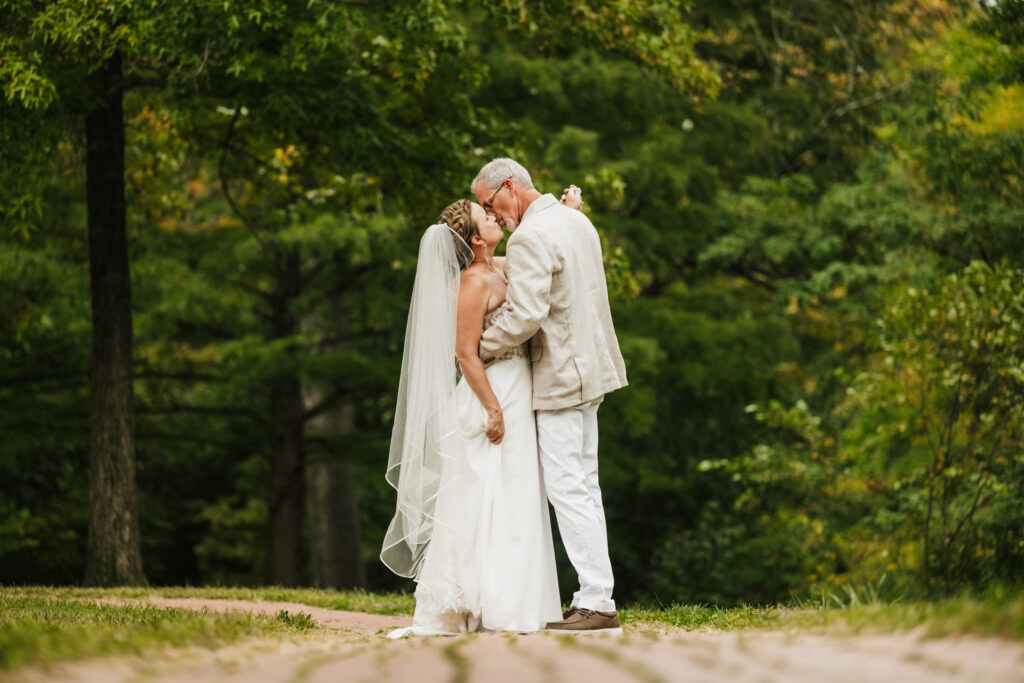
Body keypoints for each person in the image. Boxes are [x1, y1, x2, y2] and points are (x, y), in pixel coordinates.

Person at [381, 189, 586, 635]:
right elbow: (465, 353)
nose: (495, 217)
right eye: (486, 216)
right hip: (491, 395)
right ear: (475, 239)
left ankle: (512, 600)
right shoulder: (474, 282)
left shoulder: (502, 267)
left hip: (517, 386)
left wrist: (566, 215)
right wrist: (492, 409)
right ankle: (484, 602)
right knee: (486, 494)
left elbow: (538, 259)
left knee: (515, 493)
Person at [471, 158, 628, 633]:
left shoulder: (531, 237)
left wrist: (477, 347)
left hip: (561, 377)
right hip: (593, 370)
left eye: (489, 203)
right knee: (586, 485)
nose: (491, 214)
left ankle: (596, 601)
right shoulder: (577, 221)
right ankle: (597, 593)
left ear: (510, 187)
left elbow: (525, 313)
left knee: (568, 489)